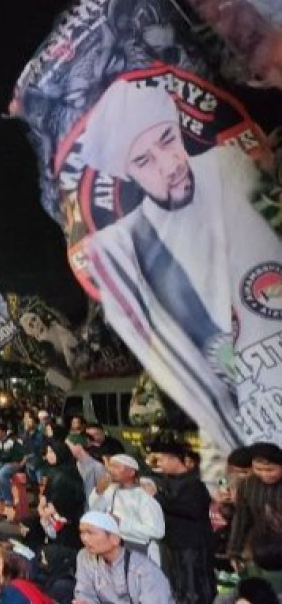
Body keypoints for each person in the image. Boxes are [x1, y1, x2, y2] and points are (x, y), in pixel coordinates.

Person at [79, 78, 282, 449]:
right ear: (127, 174)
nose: (169, 165)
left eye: (168, 140)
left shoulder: (231, 169)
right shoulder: (129, 251)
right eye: (144, 160)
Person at [146, 436, 214, 604]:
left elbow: (191, 509)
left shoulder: (195, 482)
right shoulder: (167, 480)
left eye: (161, 459)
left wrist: (157, 497)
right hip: (171, 543)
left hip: (192, 546)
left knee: (193, 589)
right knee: (175, 587)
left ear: (177, 460)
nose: (158, 463)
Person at [72, 512, 173, 604]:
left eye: (90, 533)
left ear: (114, 538)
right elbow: (84, 593)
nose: (84, 539)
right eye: (82, 532)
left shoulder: (144, 569)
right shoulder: (84, 557)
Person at [87, 455, 165, 564]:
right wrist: (99, 491)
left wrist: (121, 523)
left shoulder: (144, 496)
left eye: (116, 467)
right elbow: (94, 509)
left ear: (131, 472)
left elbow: (157, 531)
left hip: (139, 552)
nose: (111, 470)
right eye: (110, 467)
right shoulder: (111, 490)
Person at [227, 442, 282, 591]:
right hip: (257, 552)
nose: (265, 474)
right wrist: (234, 551)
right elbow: (241, 519)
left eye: (271, 470)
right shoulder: (247, 486)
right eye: (259, 469)